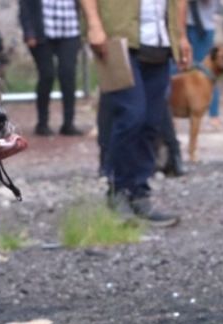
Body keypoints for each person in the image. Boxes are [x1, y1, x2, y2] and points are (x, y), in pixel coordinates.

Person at [81, 0, 190, 227]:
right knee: (131, 115)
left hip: (160, 41)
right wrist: (94, 24)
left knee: (152, 122)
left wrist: (181, 36)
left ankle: (140, 193)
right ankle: (117, 191)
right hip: (118, 39)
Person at [19, 0, 84, 136]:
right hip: (42, 31)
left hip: (70, 29)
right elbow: (25, 5)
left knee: (68, 75)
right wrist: (29, 32)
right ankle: (42, 123)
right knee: (47, 75)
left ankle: (68, 123)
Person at [186, 0, 221, 131]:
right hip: (182, 24)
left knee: (207, 73)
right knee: (174, 72)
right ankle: (170, 117)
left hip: (204, 27)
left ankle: (214, 115)